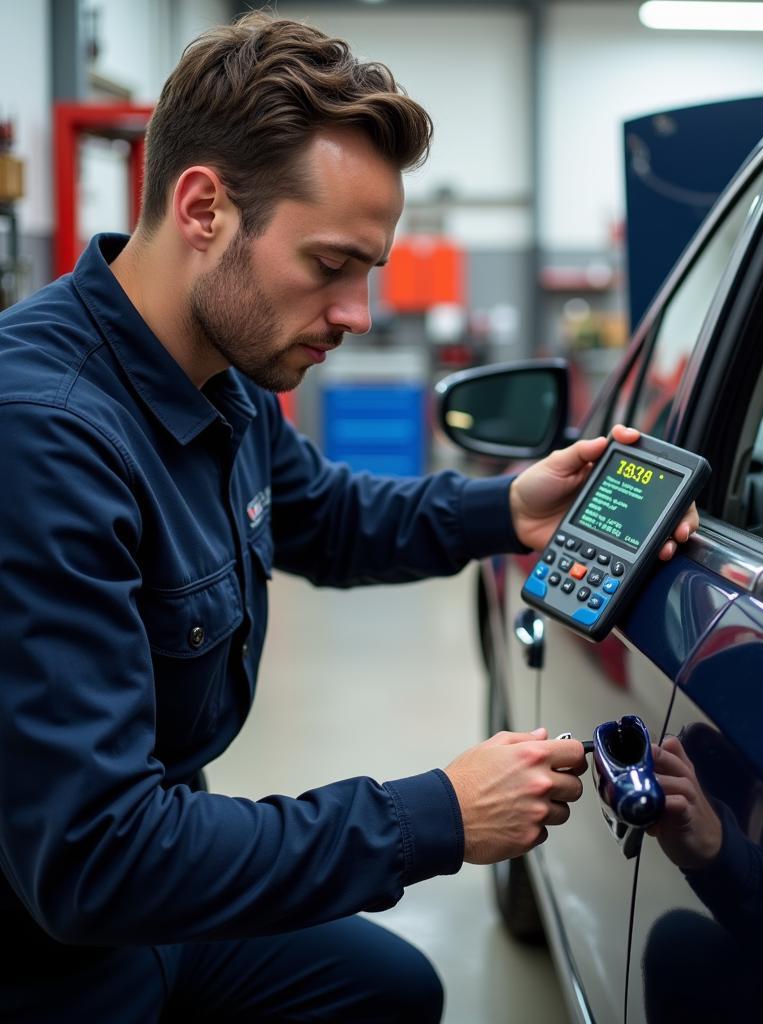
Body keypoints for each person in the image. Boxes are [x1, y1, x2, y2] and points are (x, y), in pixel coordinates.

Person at [0, 13, 699, 1022]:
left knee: (389, 989)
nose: (358, 312)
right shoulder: (42, 437)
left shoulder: (219, 376)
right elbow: (92, 859)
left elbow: (319, 513)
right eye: (330, 265)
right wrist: (434, 814)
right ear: (203, 207)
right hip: (51, 952)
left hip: (141, 903)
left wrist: (506, 507)